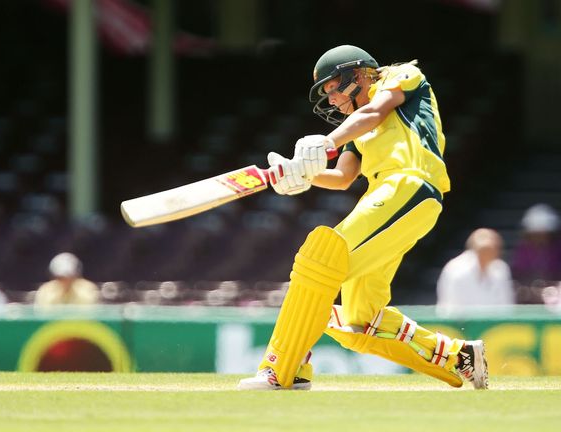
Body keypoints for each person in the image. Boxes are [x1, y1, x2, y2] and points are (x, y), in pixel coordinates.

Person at [238, 45, 488, 390]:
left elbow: (374, 112)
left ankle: (283, 368)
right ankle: (458, 358)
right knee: (361, 323)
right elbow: (341, 177)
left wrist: (327, 141)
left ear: (358, 74)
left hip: (409, 184)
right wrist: (297, 175)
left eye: (333, 88)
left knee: (320, 259)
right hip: (387, 198)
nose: (333, 100)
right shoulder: (358, 130)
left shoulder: (401, 76)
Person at [436, 228, 514, 315]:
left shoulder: (501, 268)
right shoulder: (456, 269)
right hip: (460, 325)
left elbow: (506, 305)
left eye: (495, 248)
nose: (492, 252)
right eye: (485, 250)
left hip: (494, 325)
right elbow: (451, 307)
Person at [510, 203, 561, 303]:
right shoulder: (523, 249)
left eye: (544, 233)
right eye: (536, 233)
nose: (540, 237)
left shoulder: (557, 248)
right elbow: (518, 274)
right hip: (528, 298)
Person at [34, 252, 99, 308]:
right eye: (60, 278)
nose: (65, 281)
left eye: (69, 277)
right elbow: (42, 314)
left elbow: (91, 313)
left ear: (76, 276)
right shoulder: (45, 291)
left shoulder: (88, 289)